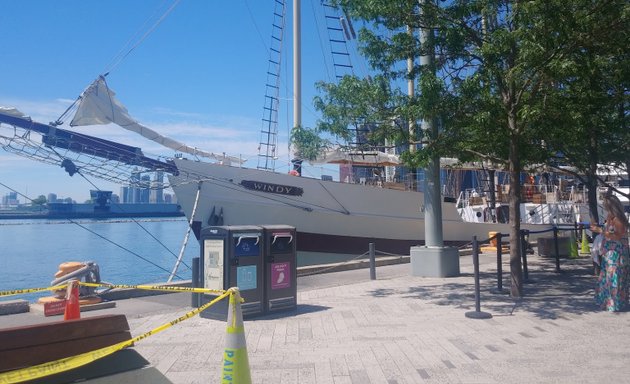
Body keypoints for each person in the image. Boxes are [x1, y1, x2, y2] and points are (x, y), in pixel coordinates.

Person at [591, 194, 629, 312]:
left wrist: (601, 231)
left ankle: (615, 303)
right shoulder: (611, 217)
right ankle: (609, 302)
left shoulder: (618, 219)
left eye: (606, 207)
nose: (605, 209)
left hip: (617, 253)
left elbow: (618, 236)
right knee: (609, 278)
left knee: (615, 278)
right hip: (609, 253)